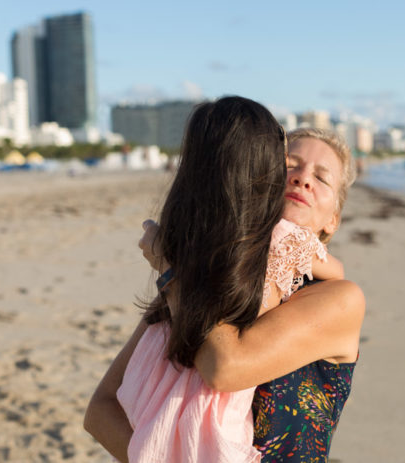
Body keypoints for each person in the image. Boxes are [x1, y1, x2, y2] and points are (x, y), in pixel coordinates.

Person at [85, 125, 365, 462]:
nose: (303, 178)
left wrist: (172, 273)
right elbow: (101, 409)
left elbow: (224, 369)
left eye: (322, 178)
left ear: (333, 219)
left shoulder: (340, 300)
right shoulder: (198, 279)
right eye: (290, 165)